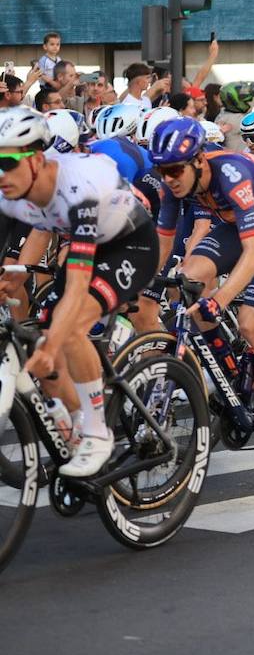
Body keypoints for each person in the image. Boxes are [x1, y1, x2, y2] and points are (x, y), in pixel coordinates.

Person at [0, 108, 159, 476]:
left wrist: (54, 342)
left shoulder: (79, 187)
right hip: (82, 239)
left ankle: (98, 431)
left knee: (68, 328)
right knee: (40, 335)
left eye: (8, 161)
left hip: (130, 244)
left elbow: (75, 287)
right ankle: (74, 425)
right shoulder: (14, 189)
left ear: (37, 159)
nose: (1, 173)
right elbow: (41, 223)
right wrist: (17, 274)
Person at [150, 117, 254, 454]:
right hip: (239, 227)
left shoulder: (230, 175)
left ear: (198, 160)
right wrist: (144, 287)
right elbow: (163, 244)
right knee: (188, 280)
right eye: (162, 171)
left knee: (251, 322)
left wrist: (222, 299)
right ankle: (224, 367)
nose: (169, 179)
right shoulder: (172, 184)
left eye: (175, 170)